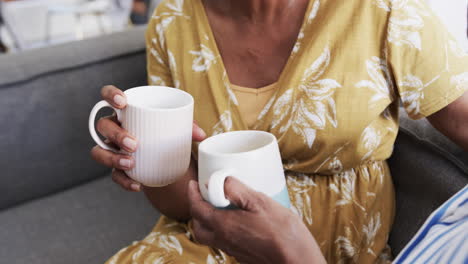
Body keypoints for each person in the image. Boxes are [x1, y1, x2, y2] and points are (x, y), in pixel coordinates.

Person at [90, 0, 468, 263]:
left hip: (330, 250)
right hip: (209, 240)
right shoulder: (171, 21)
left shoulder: (381, 10)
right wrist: (144, 156)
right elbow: (179, 204)